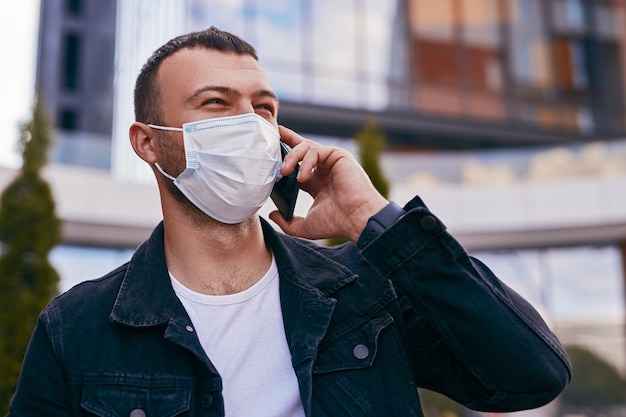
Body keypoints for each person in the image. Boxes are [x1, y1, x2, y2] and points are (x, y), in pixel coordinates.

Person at [7, 27, 571, 417]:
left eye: (264, 107)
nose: (251, 124)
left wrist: (373, 219)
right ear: (148, 142)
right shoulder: (76, 328)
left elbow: (532, 373)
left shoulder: (364, 291)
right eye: (216, 103)